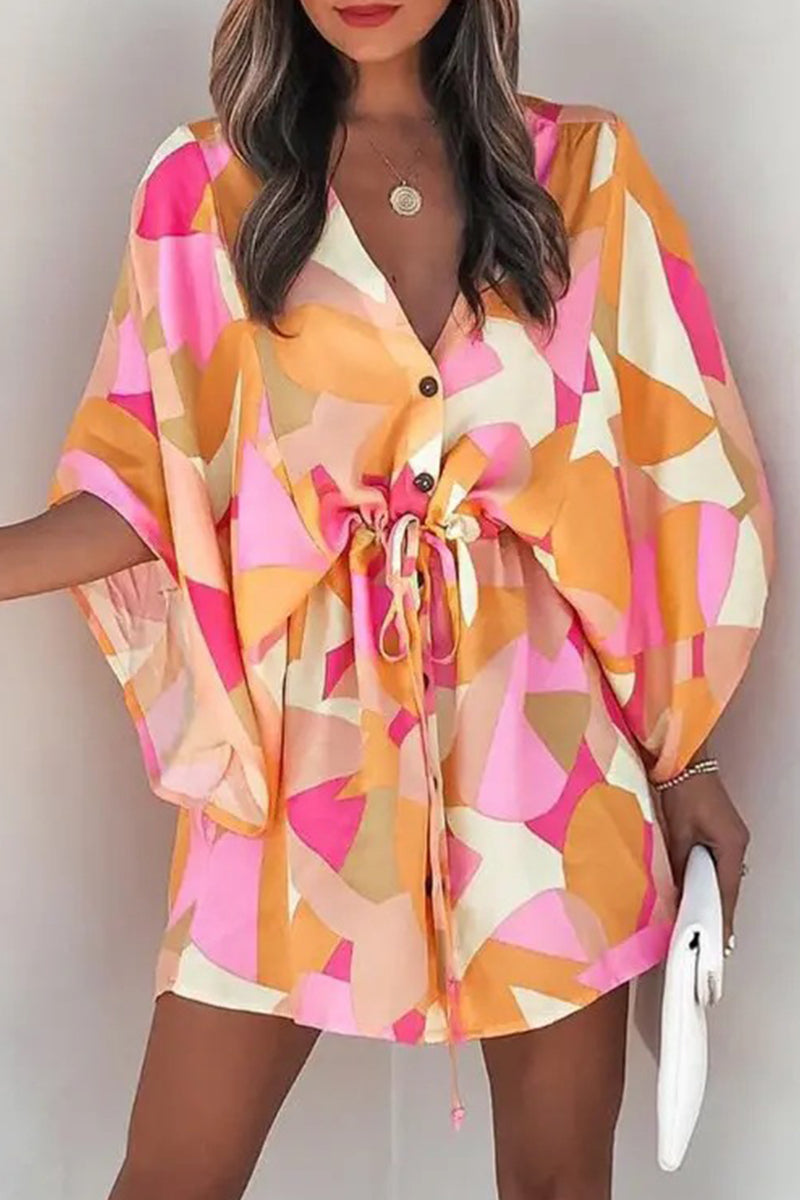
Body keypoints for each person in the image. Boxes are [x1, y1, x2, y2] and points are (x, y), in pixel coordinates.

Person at [1, 0, 773, 1197]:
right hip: (301, 761)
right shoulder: (203, 187)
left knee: (560, 1182)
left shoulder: (585, 173)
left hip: (548, 761)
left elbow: (669, 489)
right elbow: (149, 485)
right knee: (173, 1175)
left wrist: (683, 761)